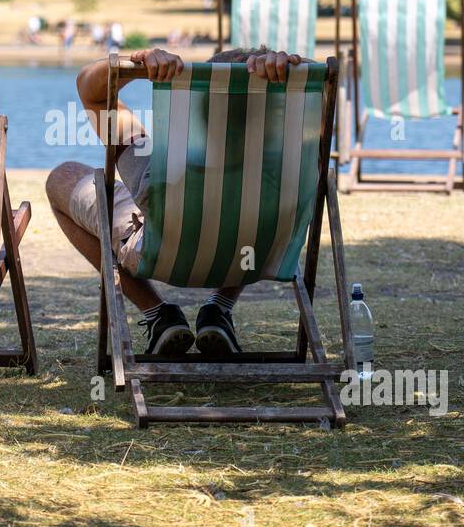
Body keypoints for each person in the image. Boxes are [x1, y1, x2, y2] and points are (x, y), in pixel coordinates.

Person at [45, 45, 304, 356]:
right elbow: (329, 82)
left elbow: (92, 91)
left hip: (162, 259)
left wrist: (136, 65)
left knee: (63, 176)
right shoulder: (290, 163)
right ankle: (218, 311)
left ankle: (158, 315)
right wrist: (297, 70)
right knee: (252, 215)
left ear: (199, 106)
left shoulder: (159, 168)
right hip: (253, 259)